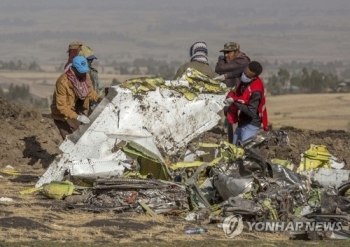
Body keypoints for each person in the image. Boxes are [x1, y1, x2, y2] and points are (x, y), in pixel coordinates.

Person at [51, 56, 100, 140]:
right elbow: (61, 107)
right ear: (74, 69)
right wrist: (78, 117)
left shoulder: (85, 76)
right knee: (70, 141)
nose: (83, 73)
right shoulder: (62, 82)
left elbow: (90, 93)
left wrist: (99, 99)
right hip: (62, 116)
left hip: (76, 110)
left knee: (80, 139)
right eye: (81, 71)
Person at [213, 42, 250, 143]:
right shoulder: (230, 63)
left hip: (241, 102)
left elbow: (219, 68)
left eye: (228, 52)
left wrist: (220, 60)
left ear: (237, 52)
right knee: (232, 134)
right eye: (224, 53)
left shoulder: (242, 61)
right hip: (231, 102)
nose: (226, 55)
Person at [224, 61, 268, 145]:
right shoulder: (246, 75)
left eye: (247, 76)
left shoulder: (256, 91)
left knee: (244, 151)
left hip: (250, 125)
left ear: (254, 77)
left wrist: (235, 101)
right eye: (244, 72)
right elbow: (239, 73)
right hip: (242, 122)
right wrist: (225, 76)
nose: (244, 76)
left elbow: (251, 112)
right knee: (234, 147)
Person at [78, 45, 104, 115]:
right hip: (82, 106)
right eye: (88, 59)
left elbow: (99, 87)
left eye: (91, 59)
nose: (91, 61)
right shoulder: (78, 73)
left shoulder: (93, 72)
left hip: (94, 103)